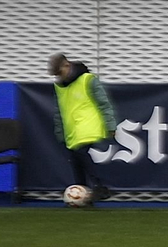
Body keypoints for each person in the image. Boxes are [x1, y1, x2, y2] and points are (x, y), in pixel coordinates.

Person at [49, 53, 117, 203]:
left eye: (60, 73)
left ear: (67, 65)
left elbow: (103, 103)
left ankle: (100, 186)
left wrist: (110, 124)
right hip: (71, 129)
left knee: (81, 154)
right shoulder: (59, 86)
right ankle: (84, 195)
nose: (59, 77)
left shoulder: (88, 80)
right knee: (76, 161)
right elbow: (59, 110)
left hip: (88, 124)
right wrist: (60, 131)